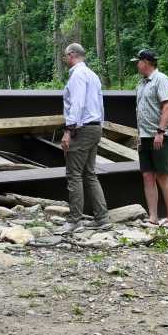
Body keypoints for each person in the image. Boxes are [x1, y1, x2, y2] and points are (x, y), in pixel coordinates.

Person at [60, 42, 109, 230]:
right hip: (95, 127)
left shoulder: (78, 75)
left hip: (82, 129)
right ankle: (102, 218)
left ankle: (74, 221)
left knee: (74, 175)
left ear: (72, 55)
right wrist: (100, 126)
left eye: (65, 56)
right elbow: (100, 103)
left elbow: (77, 104)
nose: (64, 59)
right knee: (89, 174)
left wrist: (68, 130)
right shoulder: (92, 75)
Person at [133, 47, 168, 226]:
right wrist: (139, 135)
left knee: (163, 176)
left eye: (138, 61)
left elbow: (167, 107)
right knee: (147, 176)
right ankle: (153, 217)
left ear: (146, 63)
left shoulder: (161, 80)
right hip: (145, 136)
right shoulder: (142, 84)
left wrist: (160, 131)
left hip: (161, 135)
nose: (137, 65)